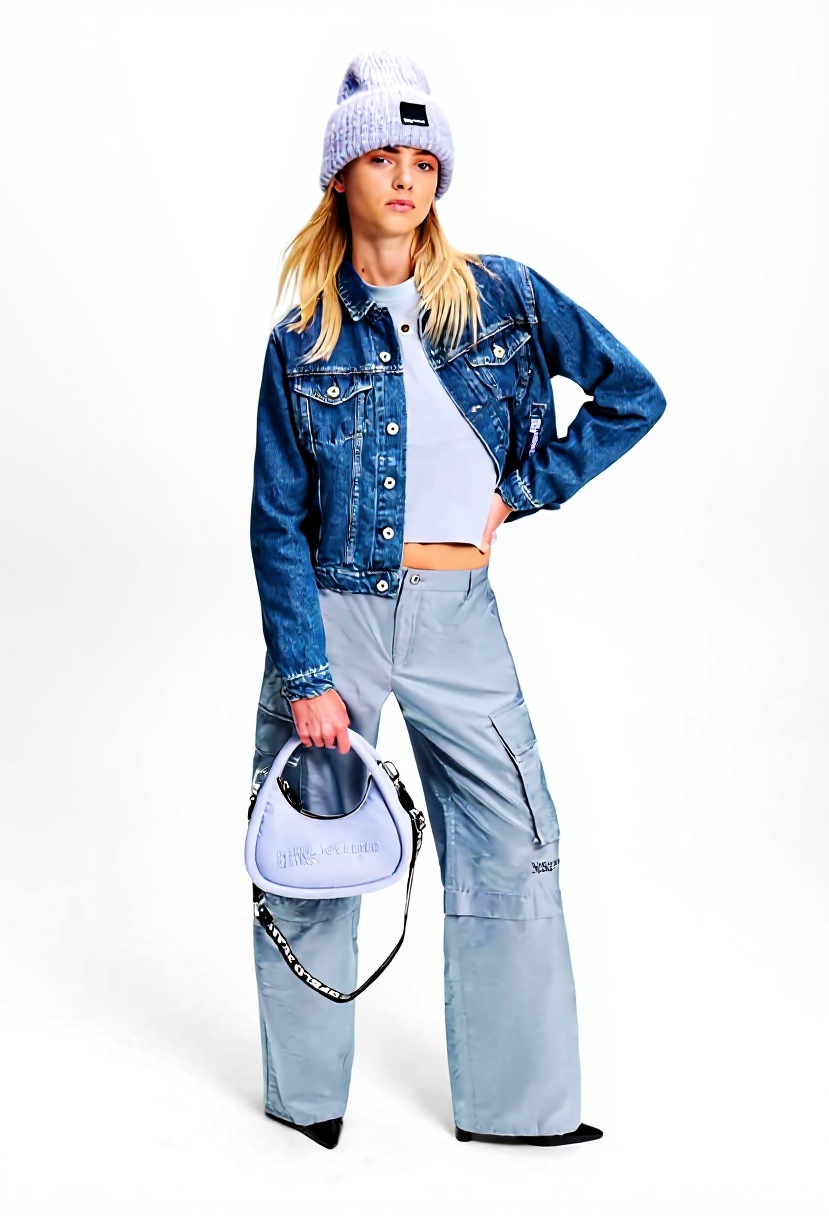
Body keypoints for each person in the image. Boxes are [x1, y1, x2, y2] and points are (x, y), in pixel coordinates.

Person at [248, 49, 666, 1151]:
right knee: (310, 850)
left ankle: (518, 1110)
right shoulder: (300, 341)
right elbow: (274, 525)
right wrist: (306, 677)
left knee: (513, 841)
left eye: (421, 159)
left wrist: (525, 489)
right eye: (381, 157)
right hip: (334, 618)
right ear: (341, 176)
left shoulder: (503, 297)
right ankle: (305, 1105)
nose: (404, 177)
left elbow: (632, 394)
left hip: (456, 612)